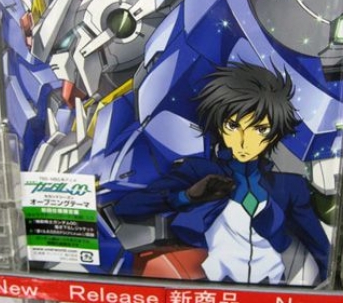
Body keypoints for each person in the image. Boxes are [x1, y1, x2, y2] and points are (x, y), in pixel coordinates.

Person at [114, 62, 329, 284]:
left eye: (259, 129)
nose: (244, 141)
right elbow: (127, 207)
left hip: (270, 287)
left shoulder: (289, 187)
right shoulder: (199, 171)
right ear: (220, 126)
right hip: (210, 284)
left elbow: (321, 248)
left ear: (273, 135)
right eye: (233, 126)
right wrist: (187, 196)